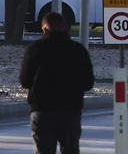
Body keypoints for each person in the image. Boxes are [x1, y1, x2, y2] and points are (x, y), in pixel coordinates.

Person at [20, 11, 94, 154]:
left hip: (42, 111)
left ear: (45, 28)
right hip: (70, 111)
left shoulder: (34, 49)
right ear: (65, 28)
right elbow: (88, 83)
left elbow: (25, 81)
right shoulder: (78, 50)